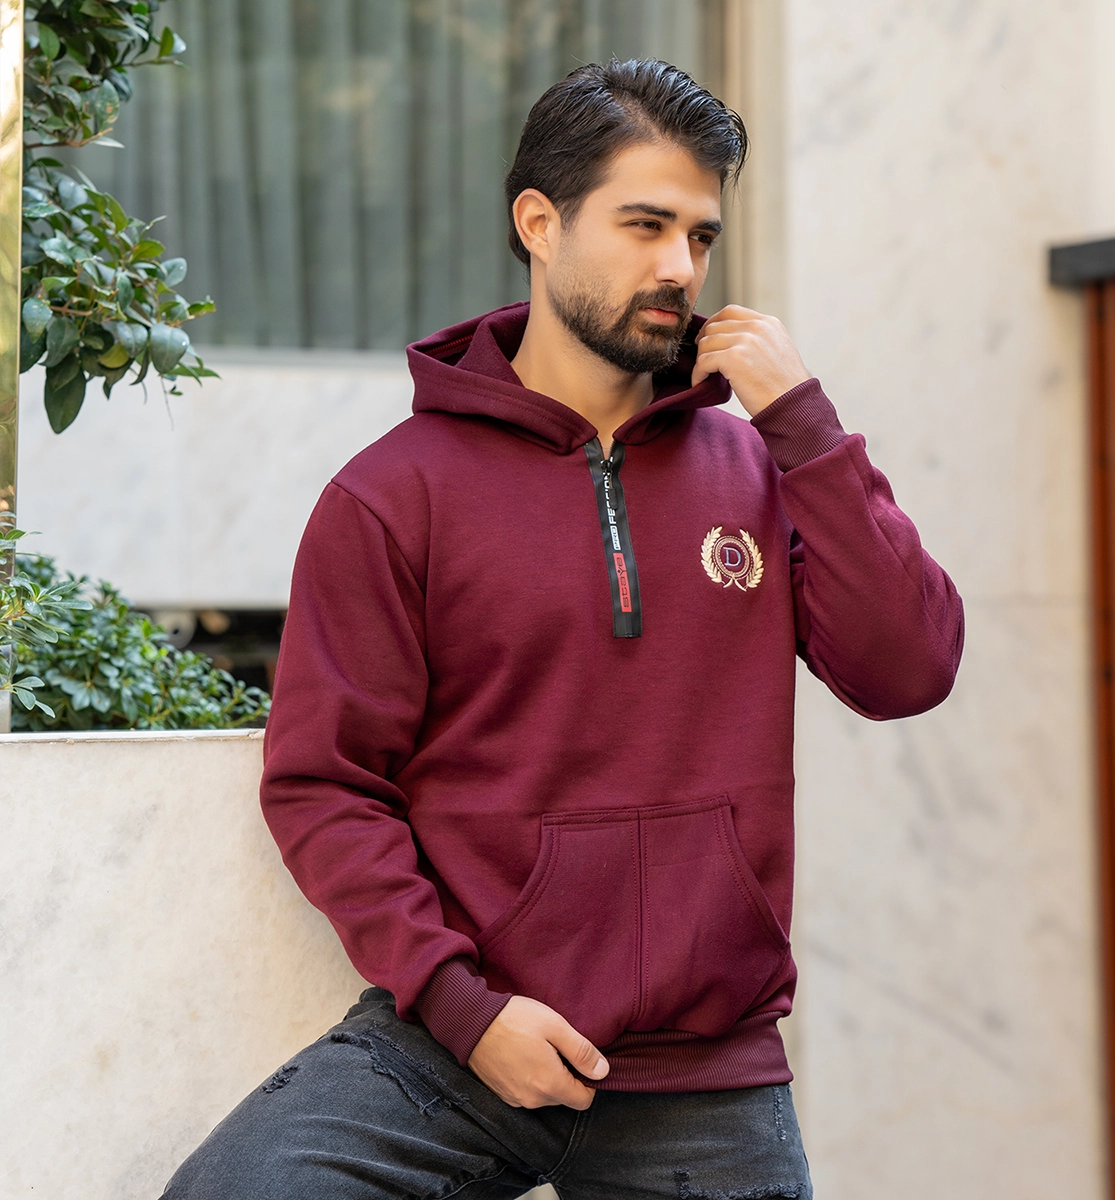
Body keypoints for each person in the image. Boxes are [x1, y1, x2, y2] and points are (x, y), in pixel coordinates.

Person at [160, 58, 964, 1199]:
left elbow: (910, 669)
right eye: (645, 225)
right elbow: (324, 785)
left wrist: (804, 426)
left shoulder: (763, 468)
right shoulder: (393, 496)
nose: (679, 267)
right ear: (539, 223)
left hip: (702, 1071)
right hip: (458, 1045)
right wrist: (462, 1008)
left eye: (700, 235)